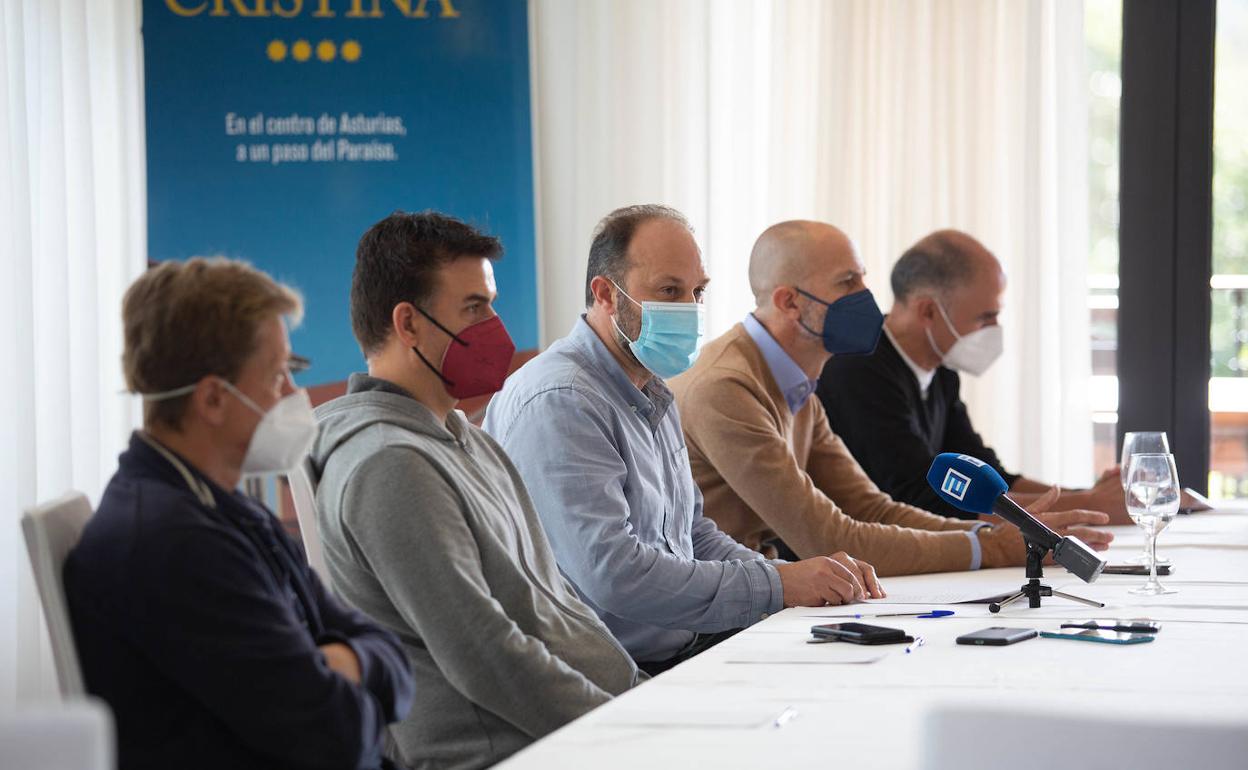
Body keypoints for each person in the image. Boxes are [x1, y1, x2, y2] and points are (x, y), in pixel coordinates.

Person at [484, 204, 884, 676]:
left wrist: (793, 578)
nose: (689, 309)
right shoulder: (563, 400)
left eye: (697, 292)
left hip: (681, 649)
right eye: (669, 290)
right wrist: (779, 585)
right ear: (606, 295)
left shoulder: (650, 387)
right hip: (608, 675)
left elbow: (692, 534)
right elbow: (616, 576)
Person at [310, 211, 642, 769]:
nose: (495, 326)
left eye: (490, 303)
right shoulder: (390, 465)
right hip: (514, 752)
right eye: (474, 307)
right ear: (408, 324)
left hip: (575, 734)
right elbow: (486, 654)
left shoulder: (468, 440)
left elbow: (554, 605)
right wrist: (628, 736)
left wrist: (647, 699)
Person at [64, 257, 414, 770]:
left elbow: (393, 662)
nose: (296, 397)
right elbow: (335, 738)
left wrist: (346, 662)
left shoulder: (221, 508)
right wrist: (343, 664)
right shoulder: (173, 544)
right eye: (278, 377)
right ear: (211, 399)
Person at [668, 221, 1113, 573]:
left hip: (772, 595)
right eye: (846, 282)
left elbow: (870, 506)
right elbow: (825, 535)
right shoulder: (727, 387)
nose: (866, 295)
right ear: (789, 303)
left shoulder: (799, 383)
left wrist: (990, 533)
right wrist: (989, 547)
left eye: (862, 278)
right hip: (721, 622)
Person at [818, 229, 1143, 524]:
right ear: (928, 311)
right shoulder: (858, 371)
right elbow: (923, 497)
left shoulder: (941, 369)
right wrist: (1090, 504)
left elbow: (985, 473)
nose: (995, 330)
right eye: (985, 317)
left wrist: (1088, 495)